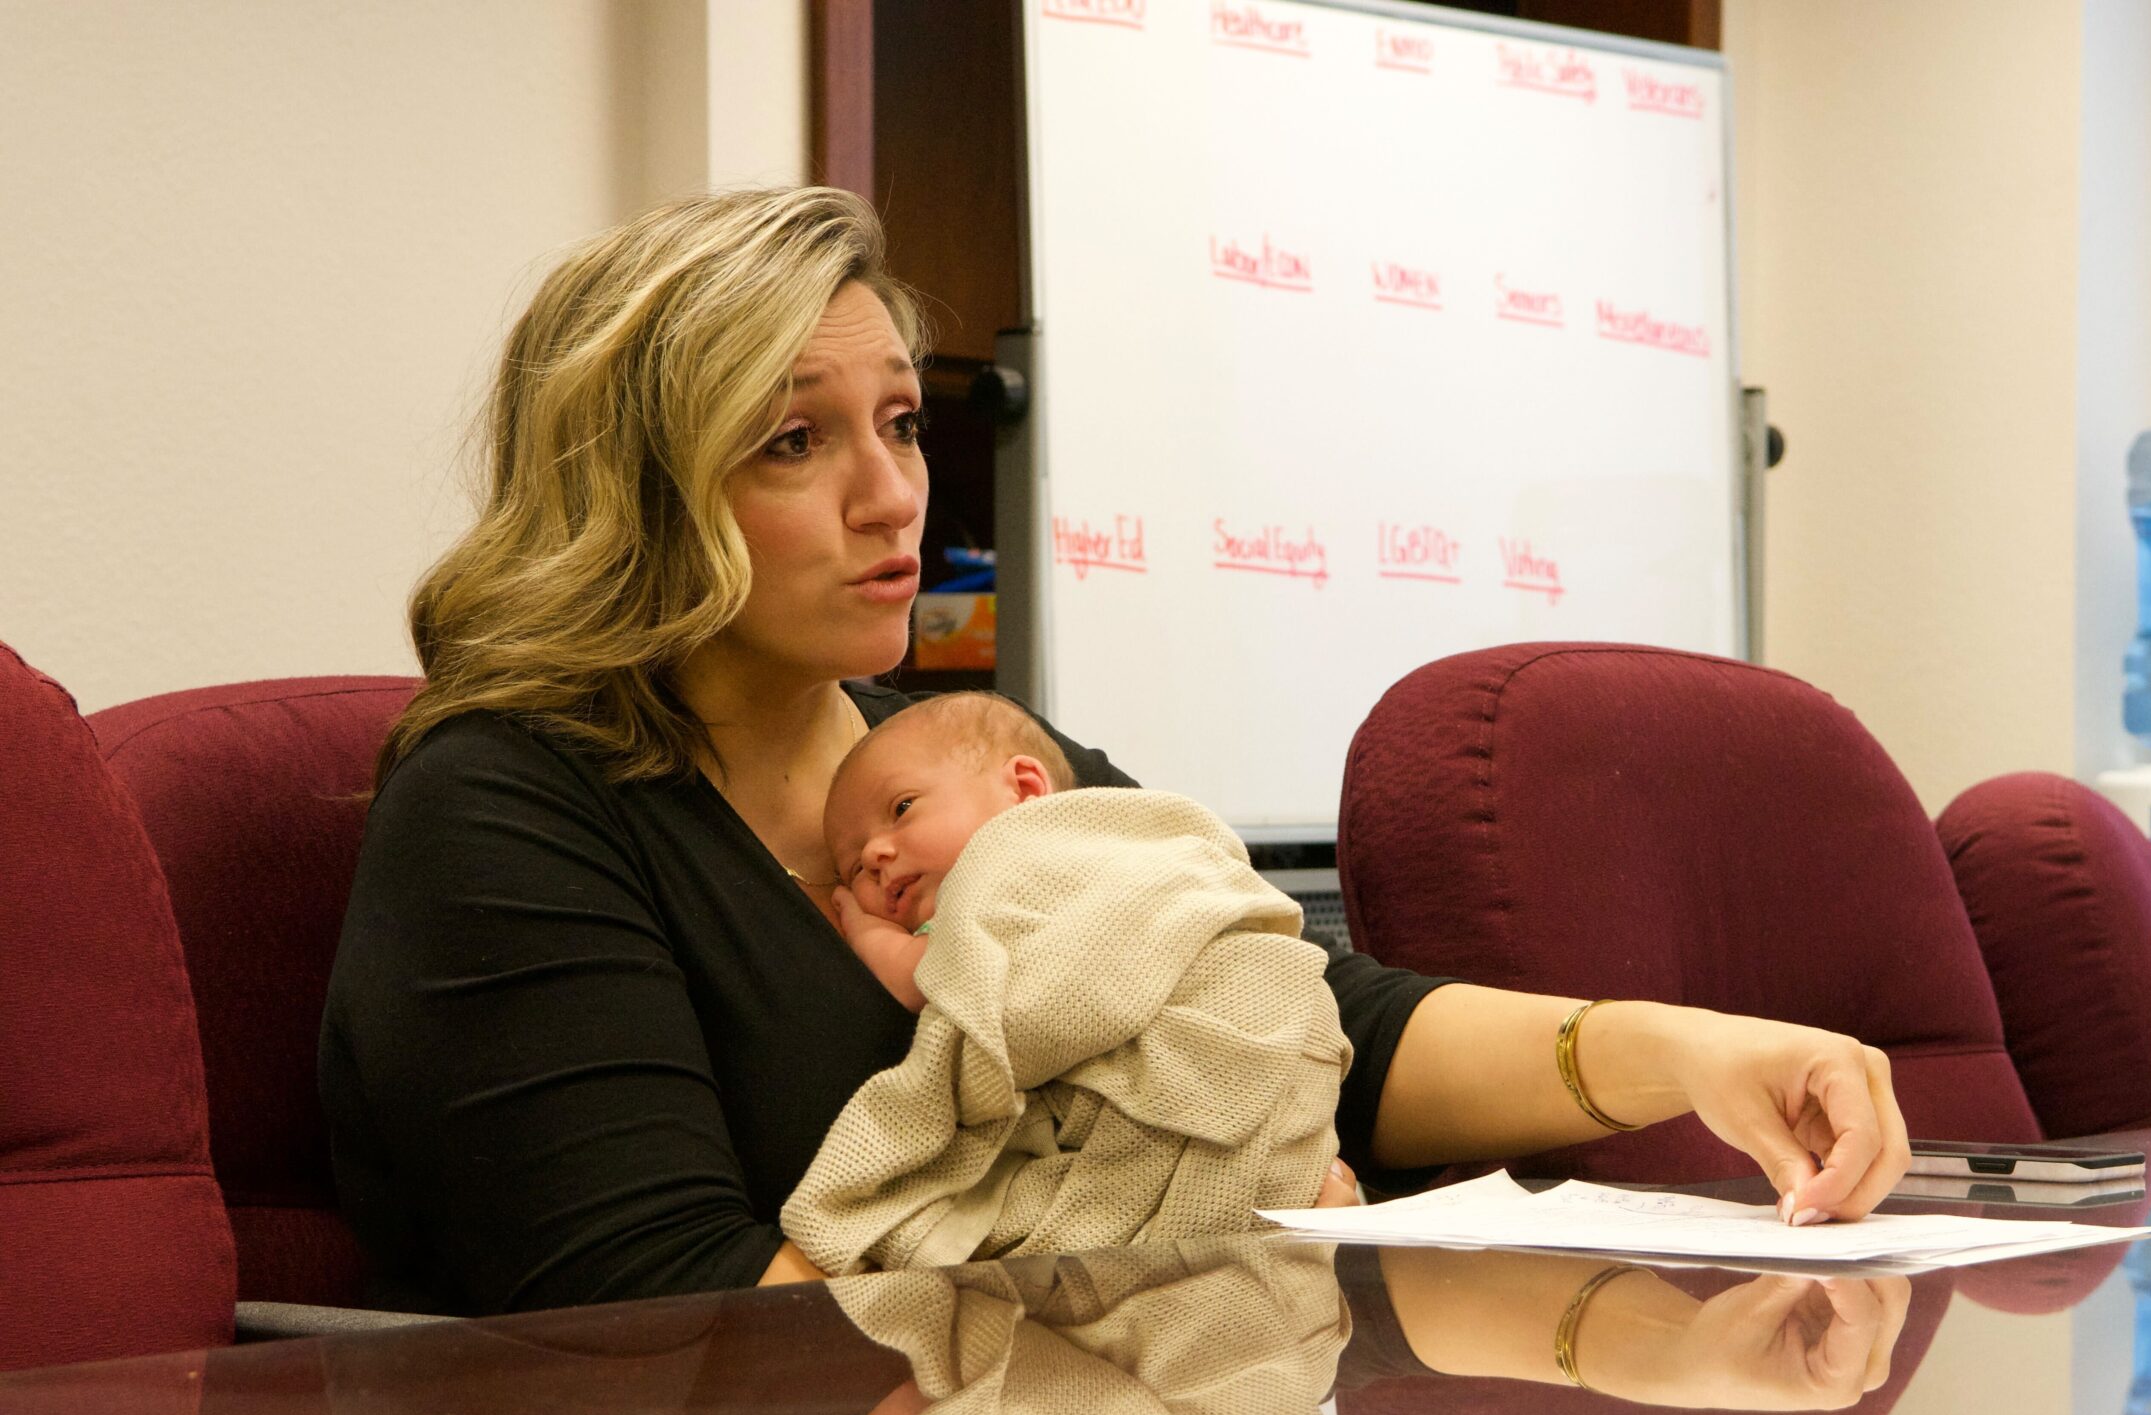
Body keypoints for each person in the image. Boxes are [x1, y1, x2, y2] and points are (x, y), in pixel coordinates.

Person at [321, 185, 1911, 1318]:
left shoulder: (946, 751)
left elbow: (1292, 1013)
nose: (893, 497)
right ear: (634, 488)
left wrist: (1695, 1050)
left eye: (901, 423)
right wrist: (1225, 1243)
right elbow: (672, 1312)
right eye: (794, 440)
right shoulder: (508, 802)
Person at [783, 689, 1355, 1273]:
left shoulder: (1029, 859)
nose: (877, 854)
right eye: (854, 868)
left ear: (1025, 789)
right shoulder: (967, 912)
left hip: (1238, 1036)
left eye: (902, 809)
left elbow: (927, 982)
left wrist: (865, 932)